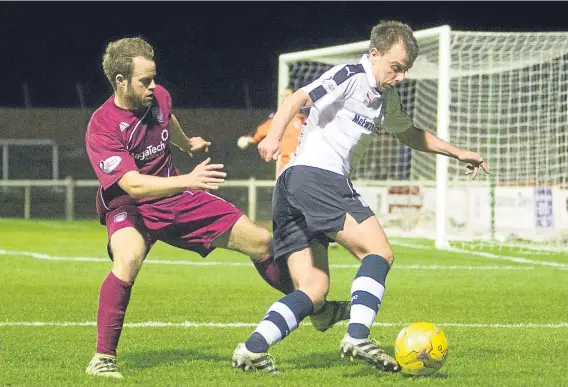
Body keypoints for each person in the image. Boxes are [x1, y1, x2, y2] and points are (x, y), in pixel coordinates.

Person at [232, 20, 489, 374]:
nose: (399, 76)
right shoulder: (352, 75)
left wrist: (457, 152)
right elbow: (297, 98)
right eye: (395, 67)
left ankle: (251, 349)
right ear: (374, 54)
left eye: (405, 71)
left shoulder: (387, 98)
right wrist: (274, 136)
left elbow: (412, 135)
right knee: (379, 251)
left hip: (292, 188)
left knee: (314, 289)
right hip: (317, 177)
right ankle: (357, 336)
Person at [84, 37, 349, 379]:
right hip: (129, 205)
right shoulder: (102, 126)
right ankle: (102, 358)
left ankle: (318, 308)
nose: (154, 86)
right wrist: (188, 181)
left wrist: (187, 143)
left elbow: (168, 121)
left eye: (154, 78)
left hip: (175, 194)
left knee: (262, 242)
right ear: (120, 81)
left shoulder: (159, 97)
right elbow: (132, 184)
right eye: (144, 81)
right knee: (128, 257)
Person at [237, 87, 306, 177]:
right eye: (283, 96)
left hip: (303, 162)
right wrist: (249, 139)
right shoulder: (278, 118)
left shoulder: (304, 119)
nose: (284, 98)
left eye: (287, 96)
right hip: (285, 163)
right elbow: (261, 131)